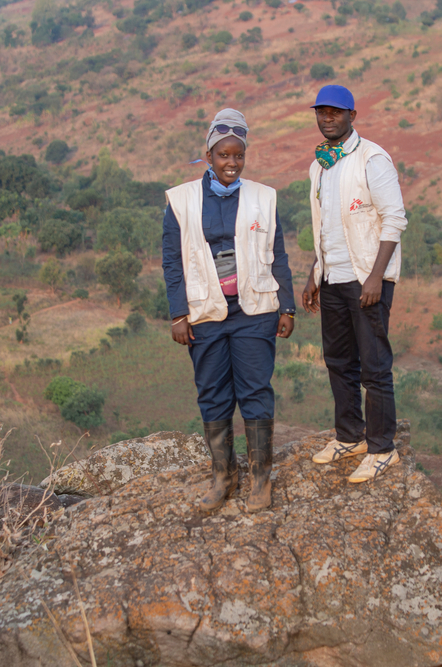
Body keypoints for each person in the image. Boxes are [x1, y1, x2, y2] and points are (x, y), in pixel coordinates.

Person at [162, 108, 296, 513]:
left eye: (239, 156)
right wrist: (177, 313)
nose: (232, 163)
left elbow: (279, 254)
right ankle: (224, 477)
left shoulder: (263, 197)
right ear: (208, 154)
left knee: (255, 391)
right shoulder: (180, 200)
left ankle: (260, 481)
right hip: (205, 310)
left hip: (255, 309)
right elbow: (171, 260)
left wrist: (286, 306)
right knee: (213, 395)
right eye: (224, 155)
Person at [301, 85, 408, 483]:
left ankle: (383, 449)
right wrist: (315, 273)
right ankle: (350, 437)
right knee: (338, 361)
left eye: (336, 112)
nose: (327, 118)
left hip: (367, 280)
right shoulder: (320, 166)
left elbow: (394, 219)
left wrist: (376, 276)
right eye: (321, 112)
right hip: (333, 279)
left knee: (375, 366)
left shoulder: (372, 159)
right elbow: (329, 228)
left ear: (352, 115)